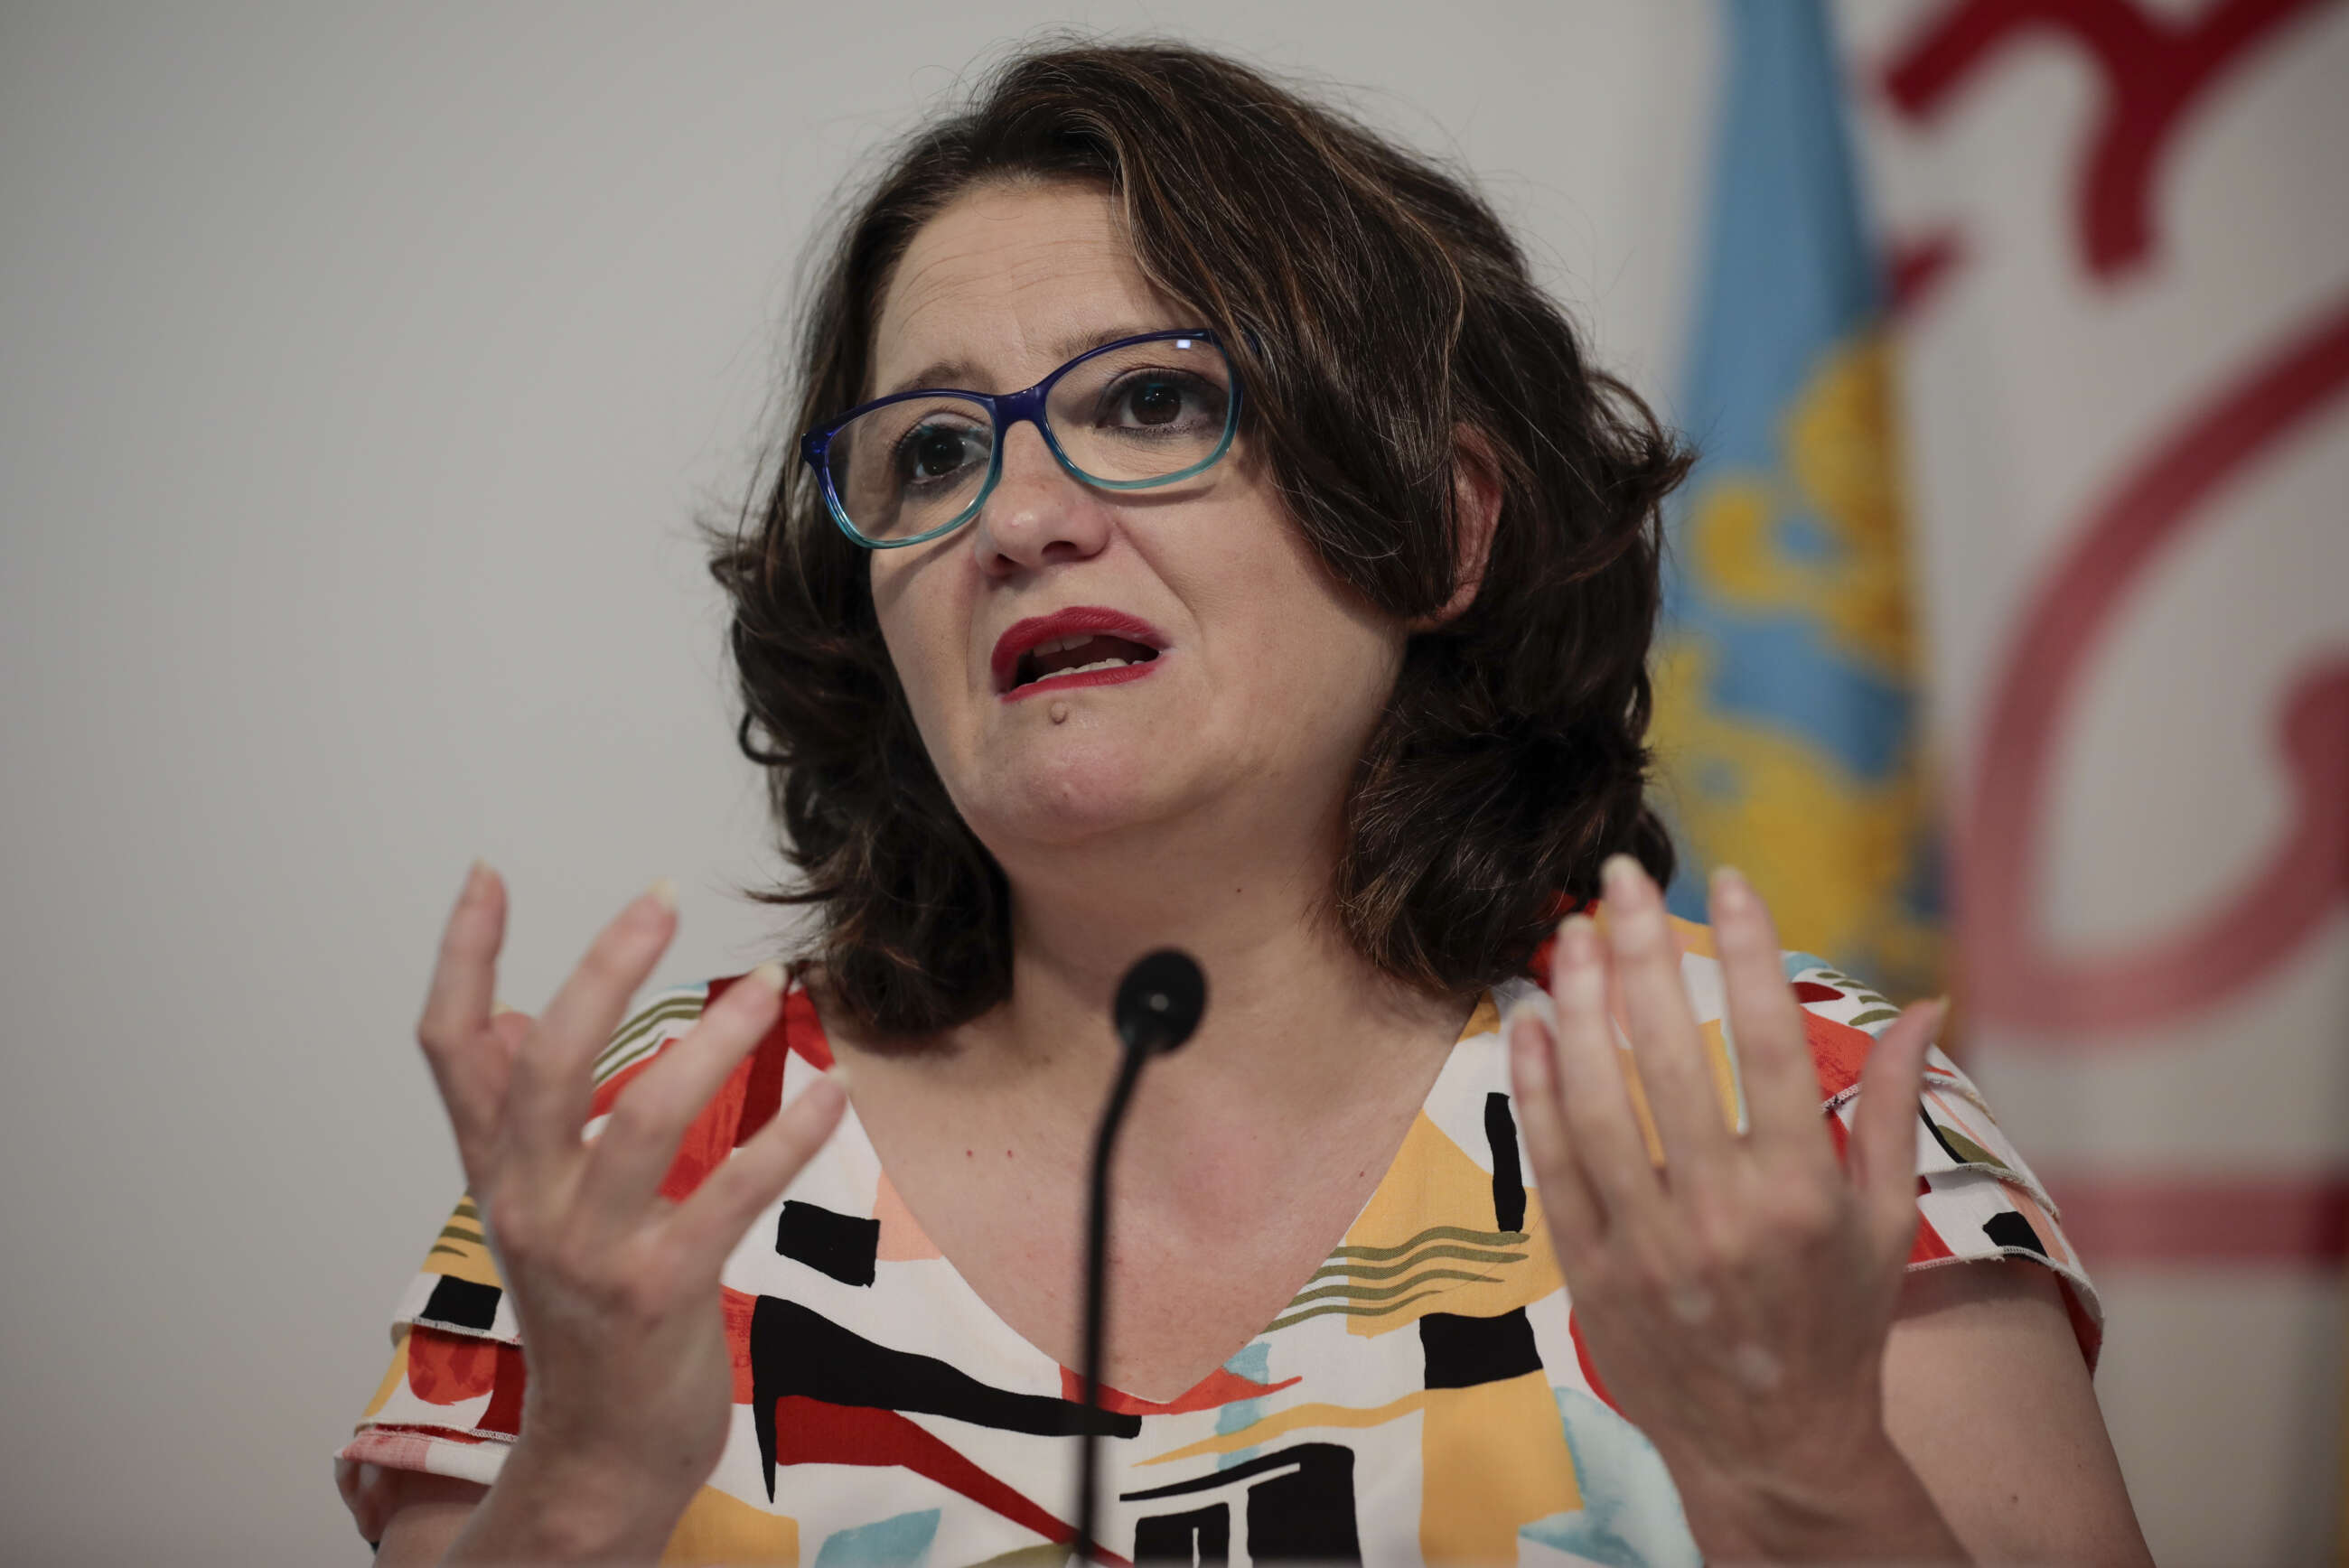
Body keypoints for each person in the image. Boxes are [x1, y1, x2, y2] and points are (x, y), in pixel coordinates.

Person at [339, 42, 2152, 1566]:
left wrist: (1794, 1484)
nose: (1021, 516)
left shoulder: (1785, 1120)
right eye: (935, 450)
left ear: (1440, 527)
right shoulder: (661, 1151)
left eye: (1149, 401)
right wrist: (574, 1493)